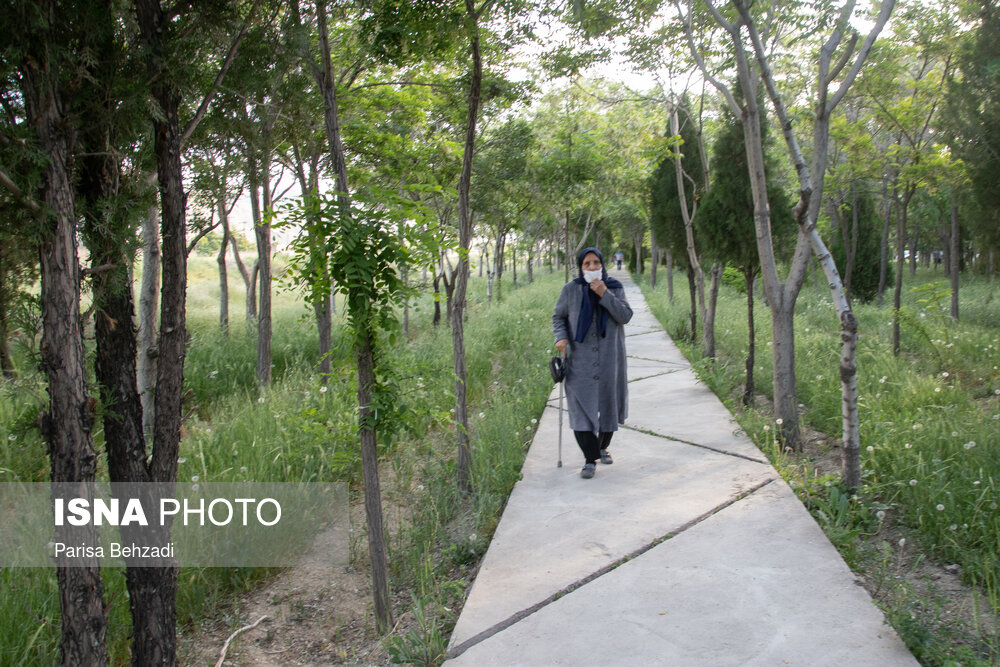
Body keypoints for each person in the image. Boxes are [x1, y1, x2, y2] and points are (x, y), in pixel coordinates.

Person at [553, 247, 633, 478]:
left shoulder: (615, 288)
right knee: (580, 409)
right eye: (586, 264)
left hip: (610, 359)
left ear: (602, 265)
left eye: (595, 263)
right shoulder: (570, 290)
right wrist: (561, 337)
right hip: (580, 359)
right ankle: (590, 459)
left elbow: (625, 316)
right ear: (580, 267)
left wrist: (604, 294)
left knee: (609, 406)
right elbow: (558, 316)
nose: (591, 268)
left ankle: (601, 447)